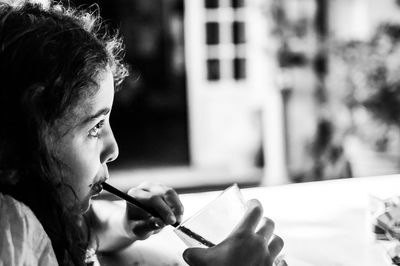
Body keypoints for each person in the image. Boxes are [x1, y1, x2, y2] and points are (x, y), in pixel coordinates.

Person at [0, 1, 284, 266]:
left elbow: (88, 224)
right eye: (95, 127)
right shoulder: (12, 229)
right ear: (24, 136)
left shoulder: (49, 206)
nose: (114, 149)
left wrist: (125, 222)